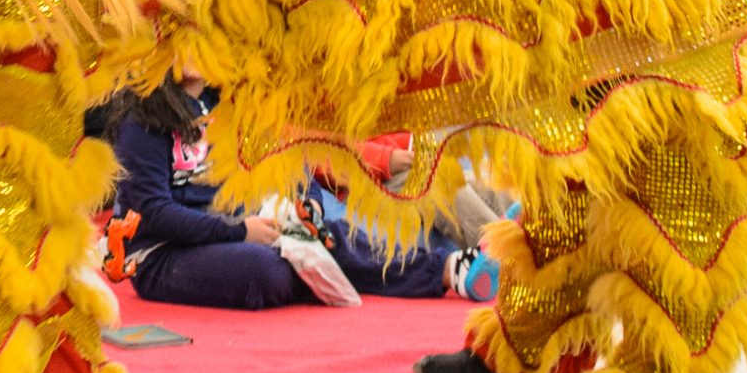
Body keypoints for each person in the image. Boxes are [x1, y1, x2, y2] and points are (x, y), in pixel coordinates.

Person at [109, 70, 478, 308]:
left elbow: (292, 159)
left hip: (242, 224)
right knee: (268, 270)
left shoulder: (231, 99)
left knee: (326, 234)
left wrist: (308, 207)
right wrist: (241, 231)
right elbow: (153, 212)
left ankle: (451, 270)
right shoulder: (140, 117)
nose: (193, 45)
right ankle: (321, 269)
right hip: (163, 252)